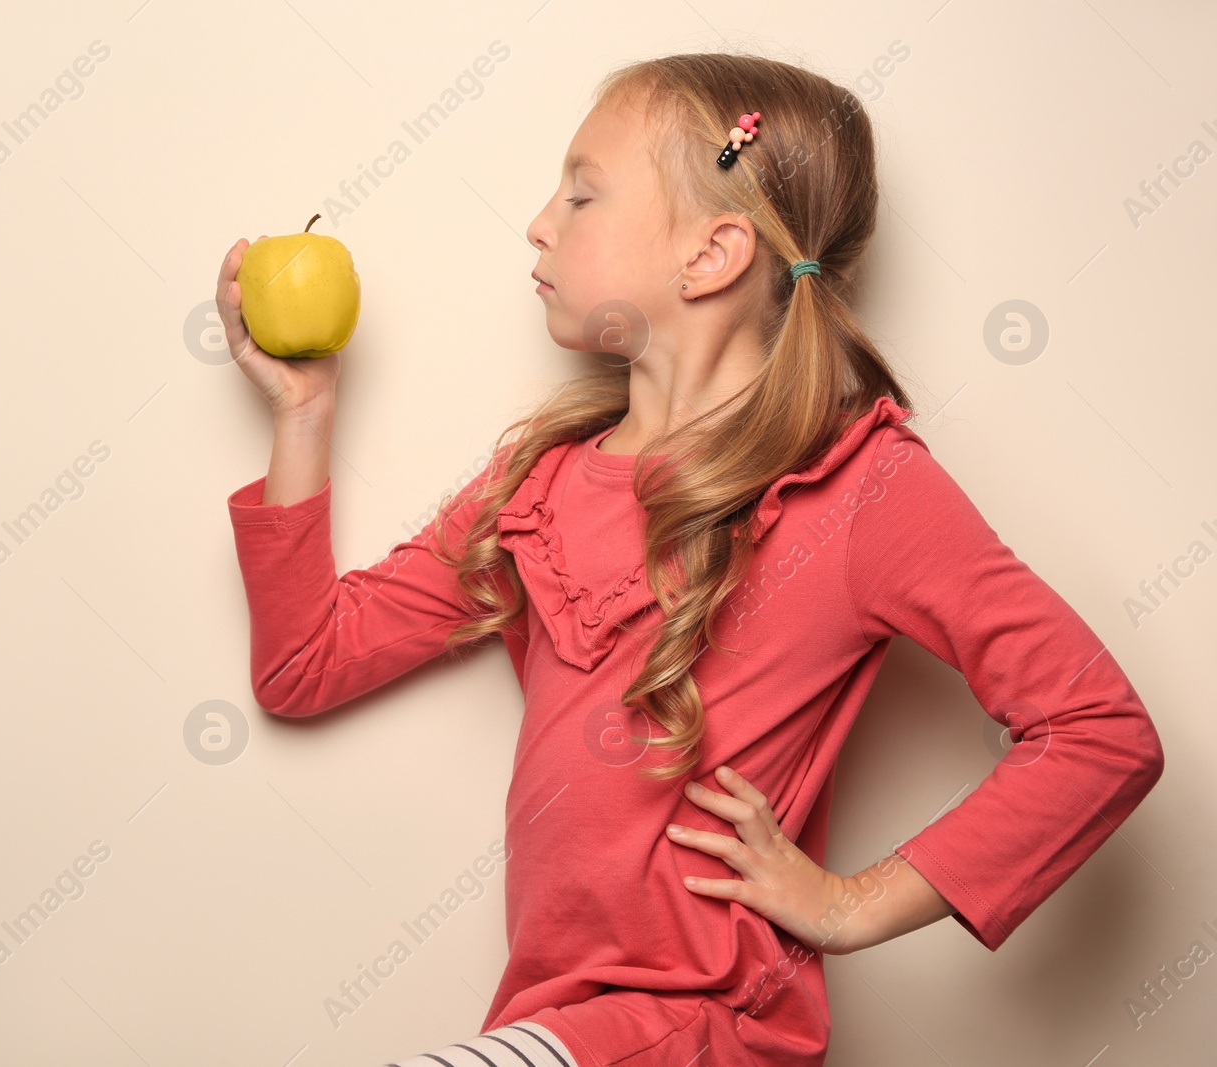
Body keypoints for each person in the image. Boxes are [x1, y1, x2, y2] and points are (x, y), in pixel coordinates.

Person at [214, 52, 1165, 1067]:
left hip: (713, 1024)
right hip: (554, 1015)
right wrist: (304, 412)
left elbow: (1098, 731)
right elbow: (303, 664)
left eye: (581, 193)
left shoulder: (860, 486)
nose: (539, 221)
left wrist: (849, 903)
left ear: (712, 254)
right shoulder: (536, 478)